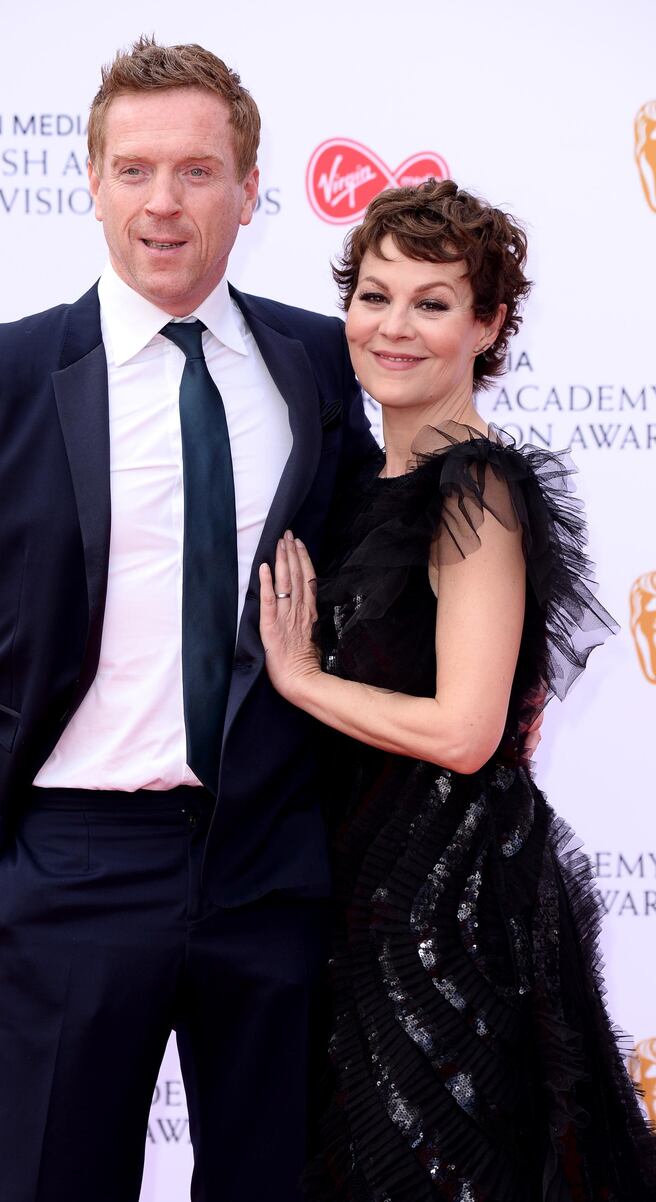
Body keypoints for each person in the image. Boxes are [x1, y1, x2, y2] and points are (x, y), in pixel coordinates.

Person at [0, 38, 379, 1202]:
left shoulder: (313, 361)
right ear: (90, 181)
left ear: (251, 191)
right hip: (66, 869)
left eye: (198, 171)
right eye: (136, 169)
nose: (164, 201)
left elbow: (365, 582)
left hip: (270, 871)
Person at [258, 179, 656, 1200]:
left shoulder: (474, 487)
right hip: (352, 901)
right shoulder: (351, 483)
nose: (392, 327)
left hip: (449, 913)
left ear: (488, 324)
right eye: (372, 294)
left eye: (430, 302)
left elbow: (467, 728)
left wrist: (300, 677)